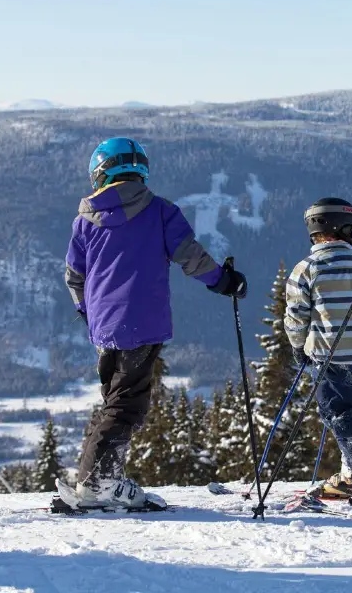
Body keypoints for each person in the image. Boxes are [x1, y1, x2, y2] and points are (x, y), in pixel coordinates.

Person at [64, 137, 247, 507]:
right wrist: (225, 281)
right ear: (139, 171)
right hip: (142, 322)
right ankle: (99, 482)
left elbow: (74, 276)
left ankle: (94, 475)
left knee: (115, 398)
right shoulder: (160, 212)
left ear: (100, 173)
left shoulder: (84, 221)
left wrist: (90, 312)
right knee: (127, 403)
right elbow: (191, 257)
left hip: (103, 326)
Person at [284, 198, 352, 496]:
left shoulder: (307, 268)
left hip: (327, 355)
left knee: (338, 413)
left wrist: (298, 345)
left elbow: (295, 315)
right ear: (343, 229)